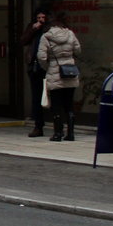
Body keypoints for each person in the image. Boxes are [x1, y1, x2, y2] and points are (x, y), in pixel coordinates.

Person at [37, 12, 82, 142]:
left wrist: (48, 67)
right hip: (70, 71)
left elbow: (41, 57)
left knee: (56, 105)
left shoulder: (46, 37)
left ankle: (58, 133)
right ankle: (71, 133)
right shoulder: (70, 34)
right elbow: (78, 50)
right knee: (69, 104)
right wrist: (69, 58)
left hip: (54, 70)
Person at [19, 4, 51, 137]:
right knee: (36, 97)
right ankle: (38, 126)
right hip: (35, 66)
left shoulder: (50, 29)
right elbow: (23, 41)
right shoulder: (32, 27)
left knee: (53, 96)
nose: (40, 20)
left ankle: (58, 125)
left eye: (43, 17)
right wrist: (33, 29)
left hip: (48, 66)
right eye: (38, 18)